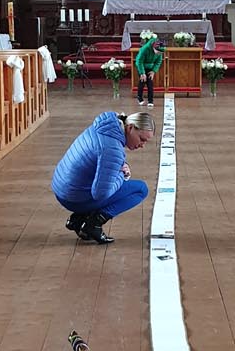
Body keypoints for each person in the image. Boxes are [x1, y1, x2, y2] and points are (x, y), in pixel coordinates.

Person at [52, 109, 156, 245]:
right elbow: (101, 194)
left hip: (61, 187)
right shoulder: (112, 149)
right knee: (140, 189)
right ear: (130, 128)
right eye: (142, 139)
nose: (142, 145)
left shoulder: (106, 127)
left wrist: (118, 166)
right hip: (72, 198)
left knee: (109, 182)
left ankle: (79, 218)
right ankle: (93, 224)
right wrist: (122, 175)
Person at [135, 32, 163, 107]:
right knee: (142, 81)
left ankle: (150, 100)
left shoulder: (160, 50)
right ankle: (139, 97)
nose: (158, 53)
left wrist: (153, 71)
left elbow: (158, 61)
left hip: (150, 67)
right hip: (142, 66)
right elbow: (139, 61)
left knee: (150, 84)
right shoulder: (145, 49)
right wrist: (142, 73)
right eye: (157, 51)